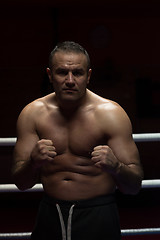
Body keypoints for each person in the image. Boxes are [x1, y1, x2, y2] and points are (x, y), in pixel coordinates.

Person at [12, 41, 143, 240]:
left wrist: (116, 167)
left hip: (98, 215)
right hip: (50, 214)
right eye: (62, 72)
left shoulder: (111, 114)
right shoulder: (32, 114)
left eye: (78, 73)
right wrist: (33, 162)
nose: (70, 80)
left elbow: (134, 186)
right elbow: (21, 183)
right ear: (50, 75)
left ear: (88, 76)